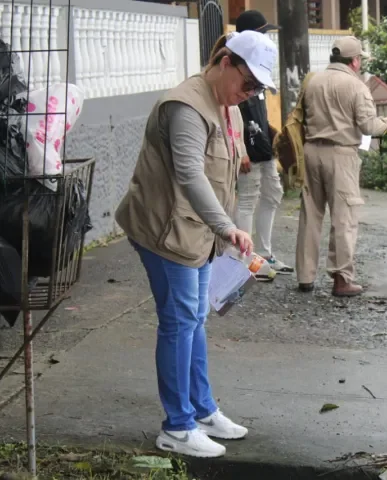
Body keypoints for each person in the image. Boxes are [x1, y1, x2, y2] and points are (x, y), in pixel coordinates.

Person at [115, 30, 278, 458]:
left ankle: (202, 410)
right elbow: (190, 176)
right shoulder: (186, 106)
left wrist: (223, 230)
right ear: (226, 61)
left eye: (259, 88)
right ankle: (177, 426)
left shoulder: (228, 107)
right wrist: (227, 228)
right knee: (180, 320)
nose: (251, 93)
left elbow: (225, 171)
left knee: (194, 319)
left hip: (197, 232)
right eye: (248, 83)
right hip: (166, 232)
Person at [296, 36, 387, 297]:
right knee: (344, 218)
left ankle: (305, 276)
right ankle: (342, 279)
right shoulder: (356, 87)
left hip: (311, 151)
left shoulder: (313, 81)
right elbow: (368, 127)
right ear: (355, 61)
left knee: (310, 214)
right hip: (341, 154)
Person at [230, 11, 294, 279]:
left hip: (263, 147)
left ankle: (265, 254)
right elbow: (230, 113)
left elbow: (259, 111)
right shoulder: (235, 68)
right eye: (262, 33)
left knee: (272, 194)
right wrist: (240, 150)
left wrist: (273, 134)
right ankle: (243, 260)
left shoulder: (257, 65)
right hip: (248, 150)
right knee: (247, 200)